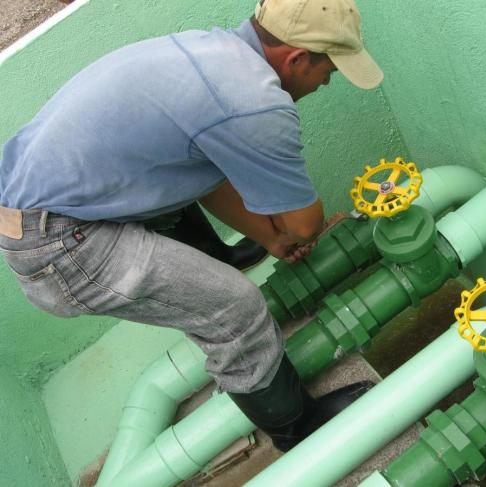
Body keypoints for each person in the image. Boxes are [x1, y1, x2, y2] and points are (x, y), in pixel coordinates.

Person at [0, 0, 383, 451]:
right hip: (60, 246)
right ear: (297, 59)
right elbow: (305, 224)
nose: (325, 82)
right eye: (329, 71)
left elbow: (198, 169)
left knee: (170, 170)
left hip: (35, 201)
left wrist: (267, 236)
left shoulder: (211, 52)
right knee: (236, 308)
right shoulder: (255, 103)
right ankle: (295, 427)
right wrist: (287, 233)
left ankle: (215, 260)